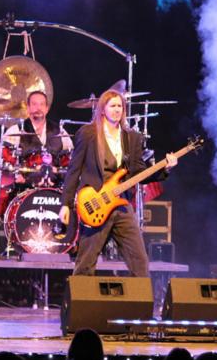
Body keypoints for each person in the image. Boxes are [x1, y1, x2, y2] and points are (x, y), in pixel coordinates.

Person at [59, 89, 177, 276]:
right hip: (96, 204)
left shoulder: (132, 137)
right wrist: (65, 204)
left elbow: (139, 173)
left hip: (121, 204)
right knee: (85, 264)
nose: (117, 110)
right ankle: (79, 295)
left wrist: (165, 168)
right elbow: (73, 170)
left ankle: (140, 296)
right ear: (103, 109)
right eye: (112, 106)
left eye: (120, 106)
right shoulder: (88, 133)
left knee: (140, 261)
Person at [3, 90, 73, 187]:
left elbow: (71, 158)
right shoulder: (15, 131)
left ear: (47, 109)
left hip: (55, 188)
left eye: (42, 104)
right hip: (24, 188)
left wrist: (59, 171)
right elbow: (4, 162)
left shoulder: (60, 131)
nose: (38, 108)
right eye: (34, 104)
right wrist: (15, 175)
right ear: (28, 108)